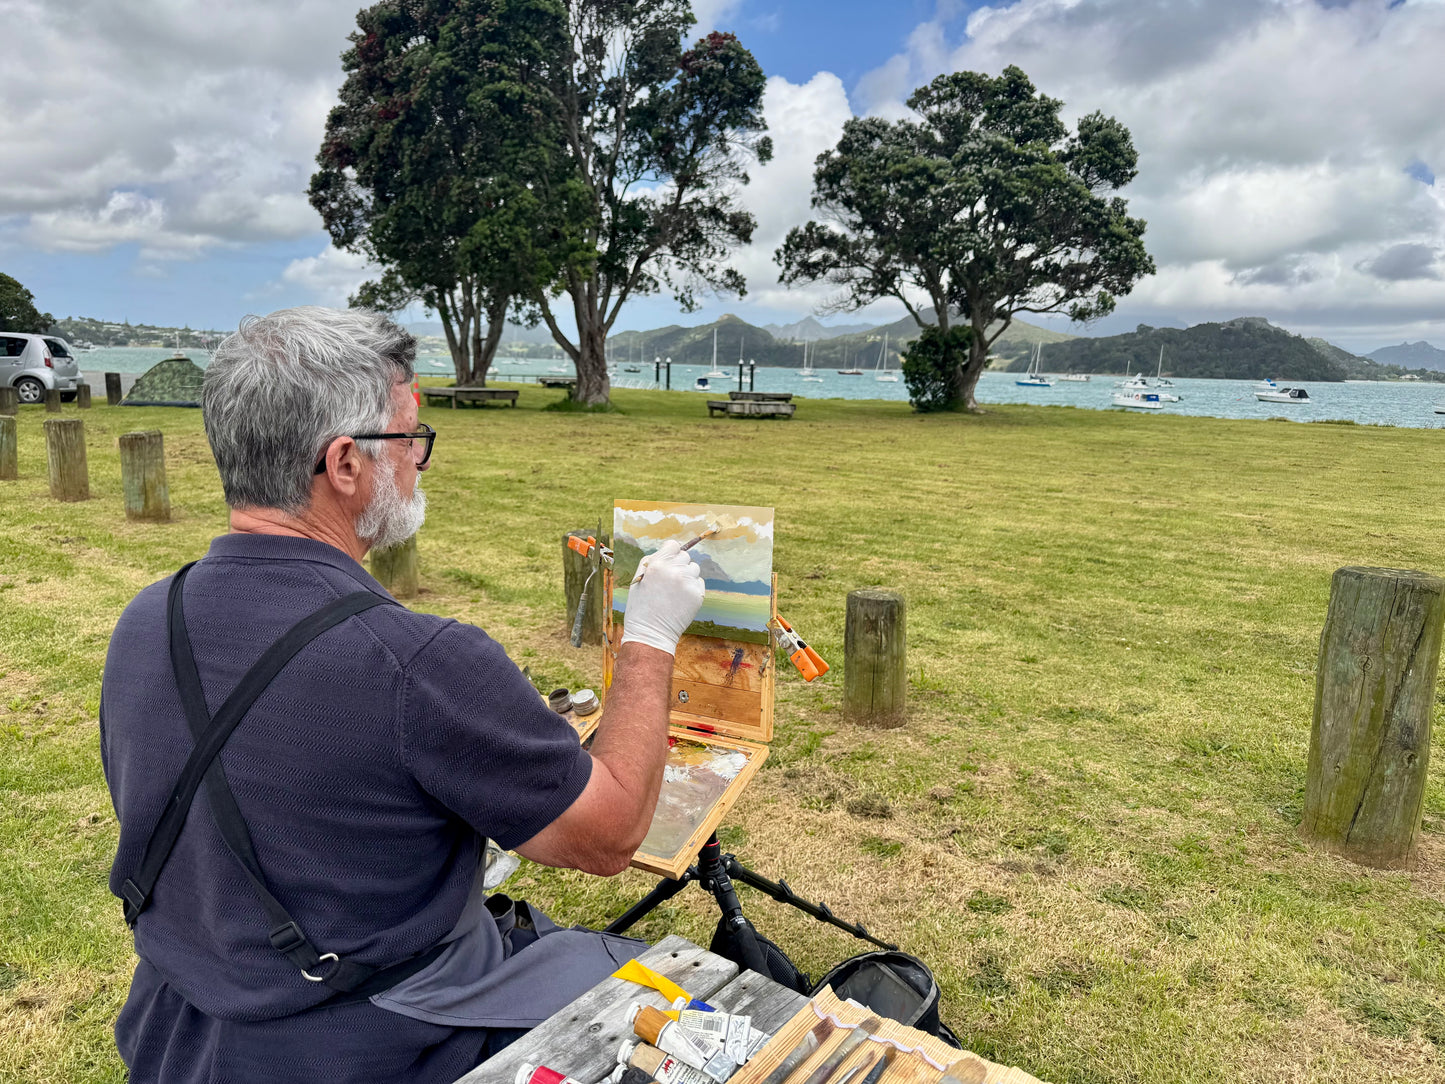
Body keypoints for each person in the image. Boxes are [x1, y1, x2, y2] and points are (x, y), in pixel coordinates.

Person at [99, 307, 706, 1084]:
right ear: (346, 464)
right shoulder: (418, 661)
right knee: (701, 1006)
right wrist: (650, 639)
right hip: (372, 1043)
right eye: (409, 437)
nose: (420, 462)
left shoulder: (147, 616)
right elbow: (608, 836)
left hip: (177, 1031)